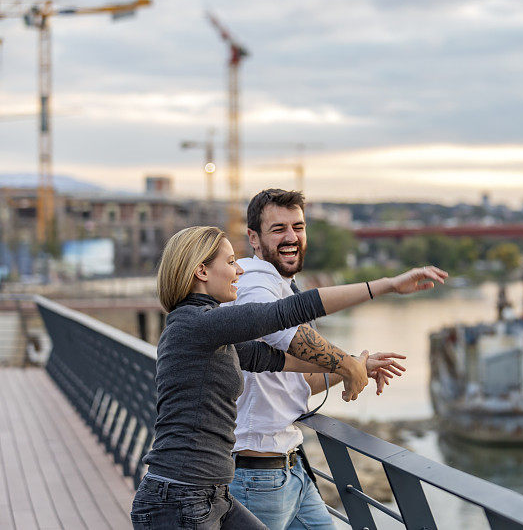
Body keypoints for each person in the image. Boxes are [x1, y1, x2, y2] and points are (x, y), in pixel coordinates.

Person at [130, 225, 447, 529]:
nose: (239, 270)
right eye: (229, 262)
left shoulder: (208, 332)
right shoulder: (197, 324)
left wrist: (354, 363)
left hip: (210, 494)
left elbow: (276, 360)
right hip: (178, 498)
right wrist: (387, 285)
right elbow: (286, 312)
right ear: (201, 271)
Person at [228, 189, 410, 529]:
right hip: (256, 476)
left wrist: (357, 365)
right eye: (278, 228)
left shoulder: (282, 285)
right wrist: (347, 364)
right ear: (253, 237)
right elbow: (278, 329)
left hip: (292, 469)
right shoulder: (253, 278)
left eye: (298, 226)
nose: (291, 237)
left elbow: (300, 382)